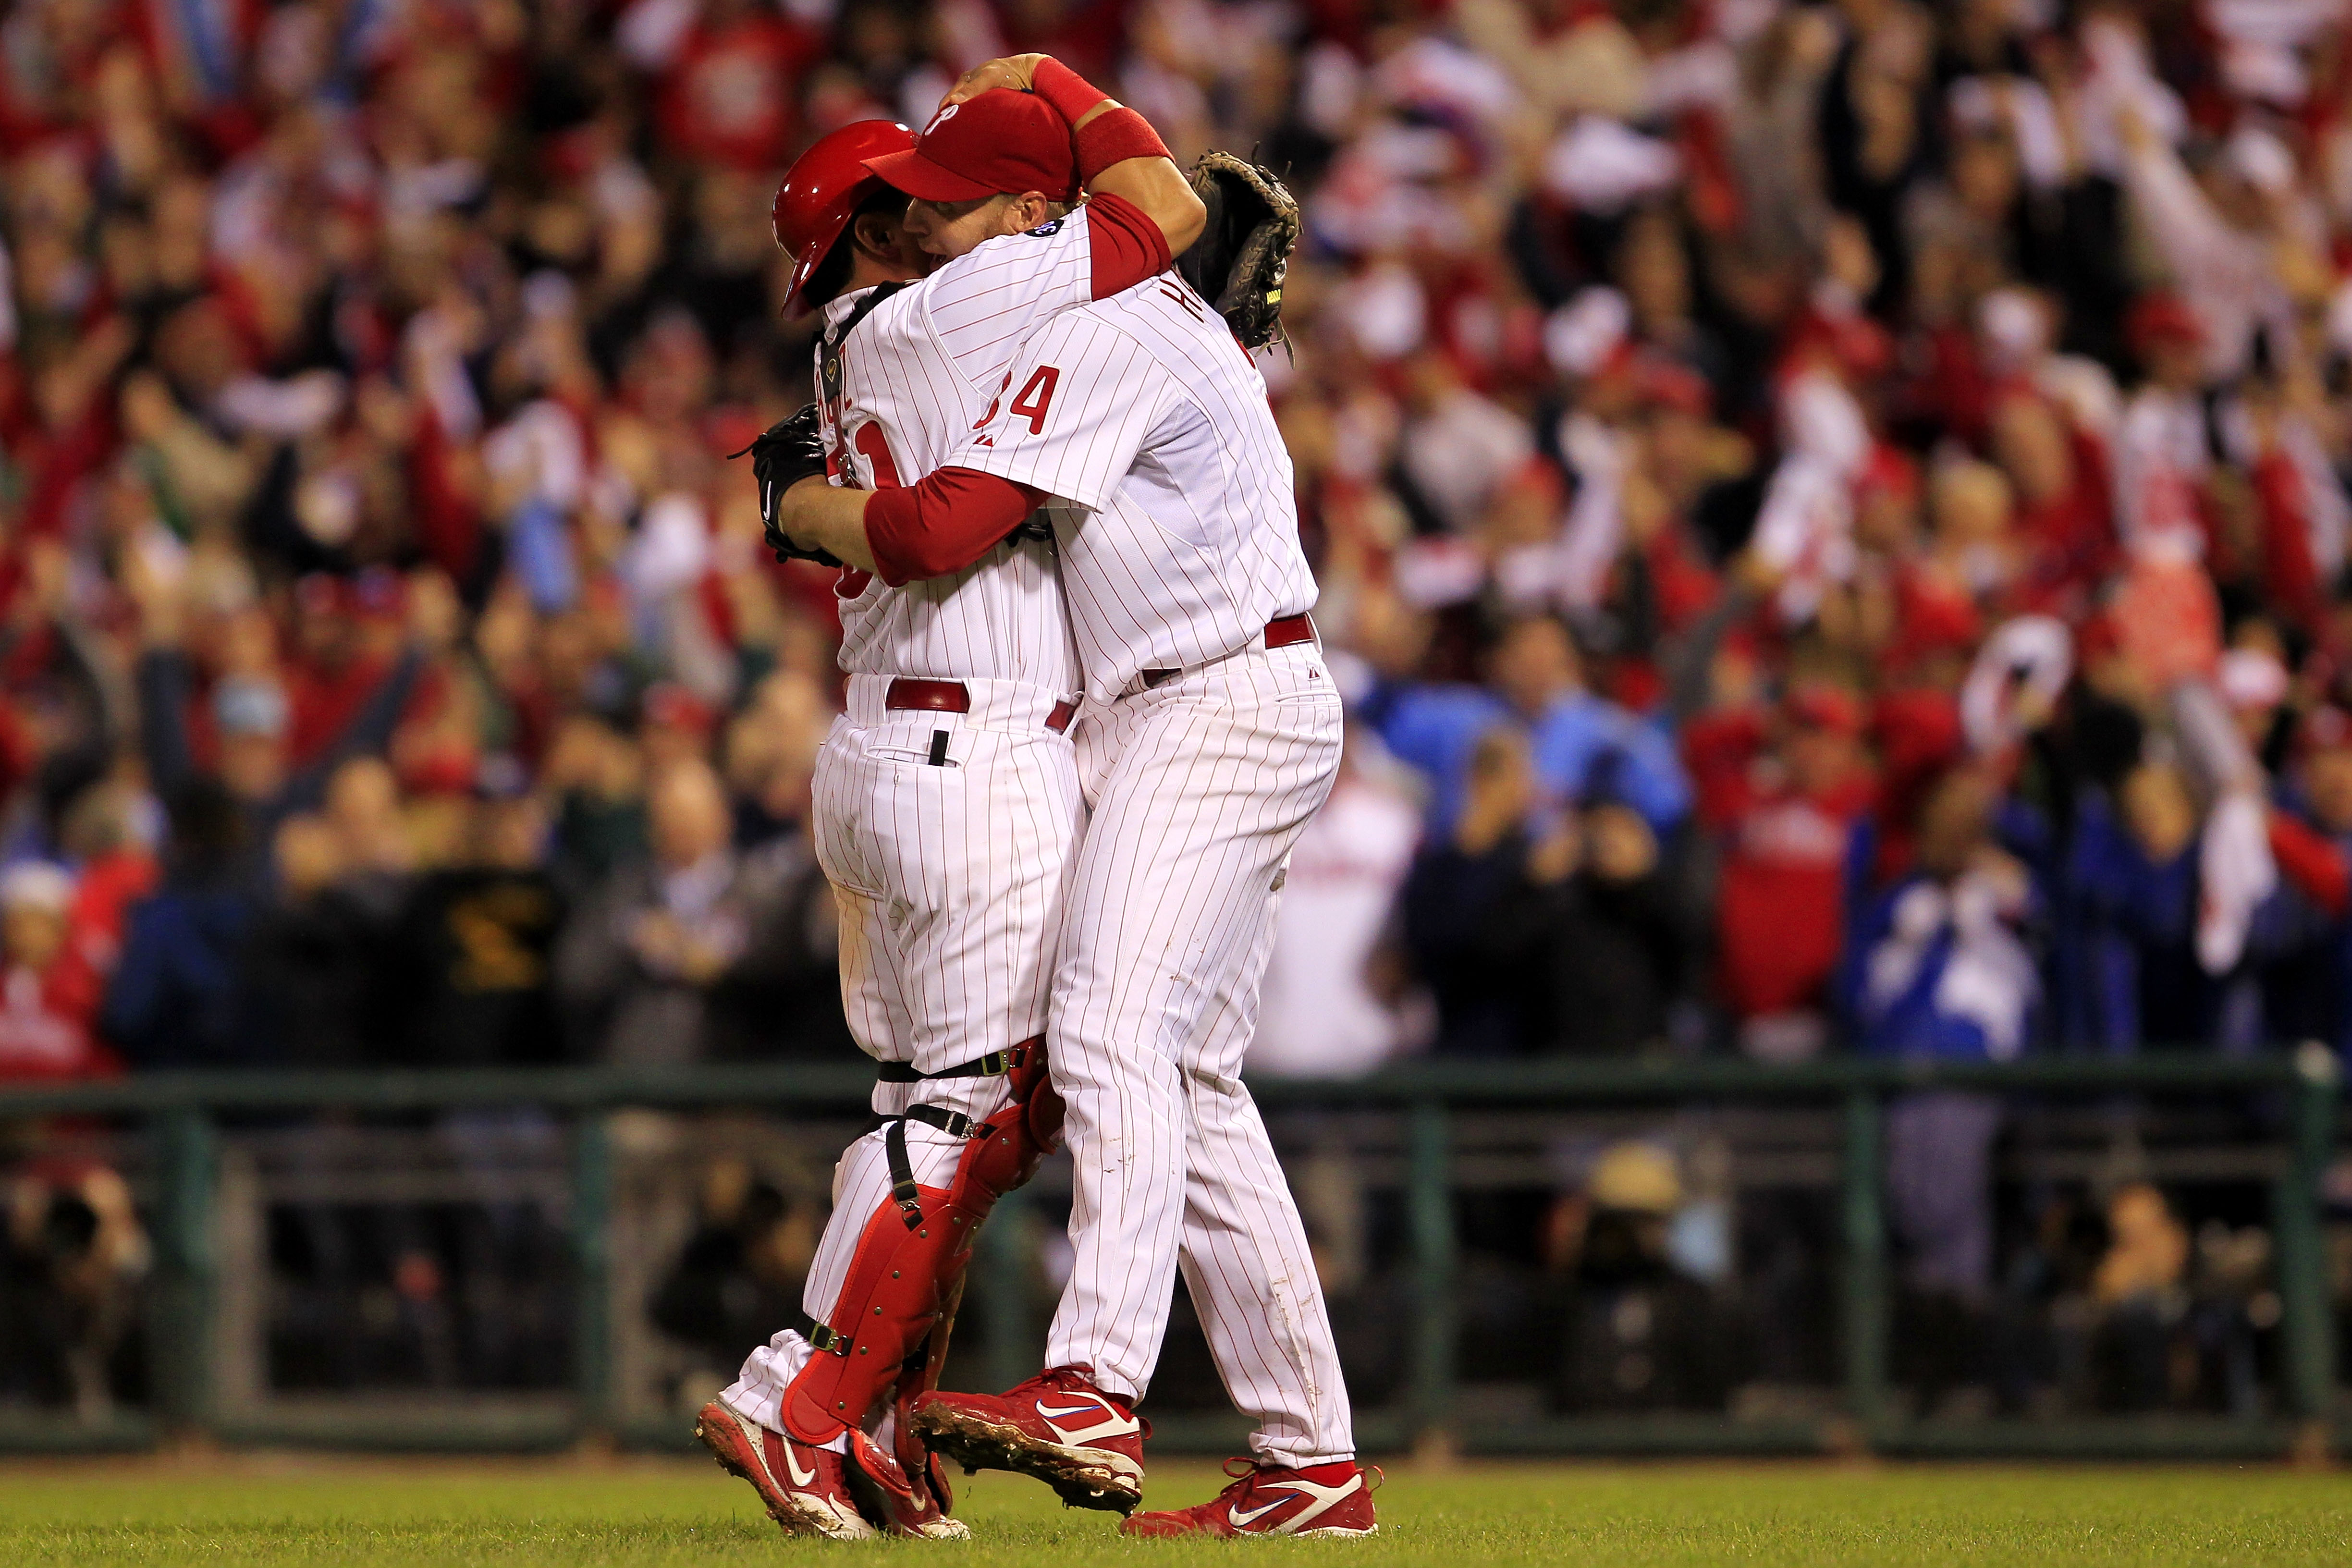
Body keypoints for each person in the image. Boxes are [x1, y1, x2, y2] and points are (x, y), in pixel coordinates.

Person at [779, 55, 1378, 1541]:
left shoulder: (1094, 321)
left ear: (1044, 214)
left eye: (958, 207)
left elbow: (938, 525)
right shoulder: (1100, 301)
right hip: (1187, 699)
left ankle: (1097, 1382)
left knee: (1105, 1028)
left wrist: (796, 504)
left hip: (1213, 699)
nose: (933, 236)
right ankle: (1311, 1461)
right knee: (1189, 1084)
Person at [692, 80, 1208, 1541]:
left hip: (880, 747)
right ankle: (797, 1396)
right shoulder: (964, 304)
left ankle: (875, 1435)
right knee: (969, 1110)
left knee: (939, 1105)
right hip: (969, 750)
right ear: (877, 230)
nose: (930, 212)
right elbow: (1164, 208)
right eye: (905, 200)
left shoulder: (849, 347)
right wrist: (1053, 84)